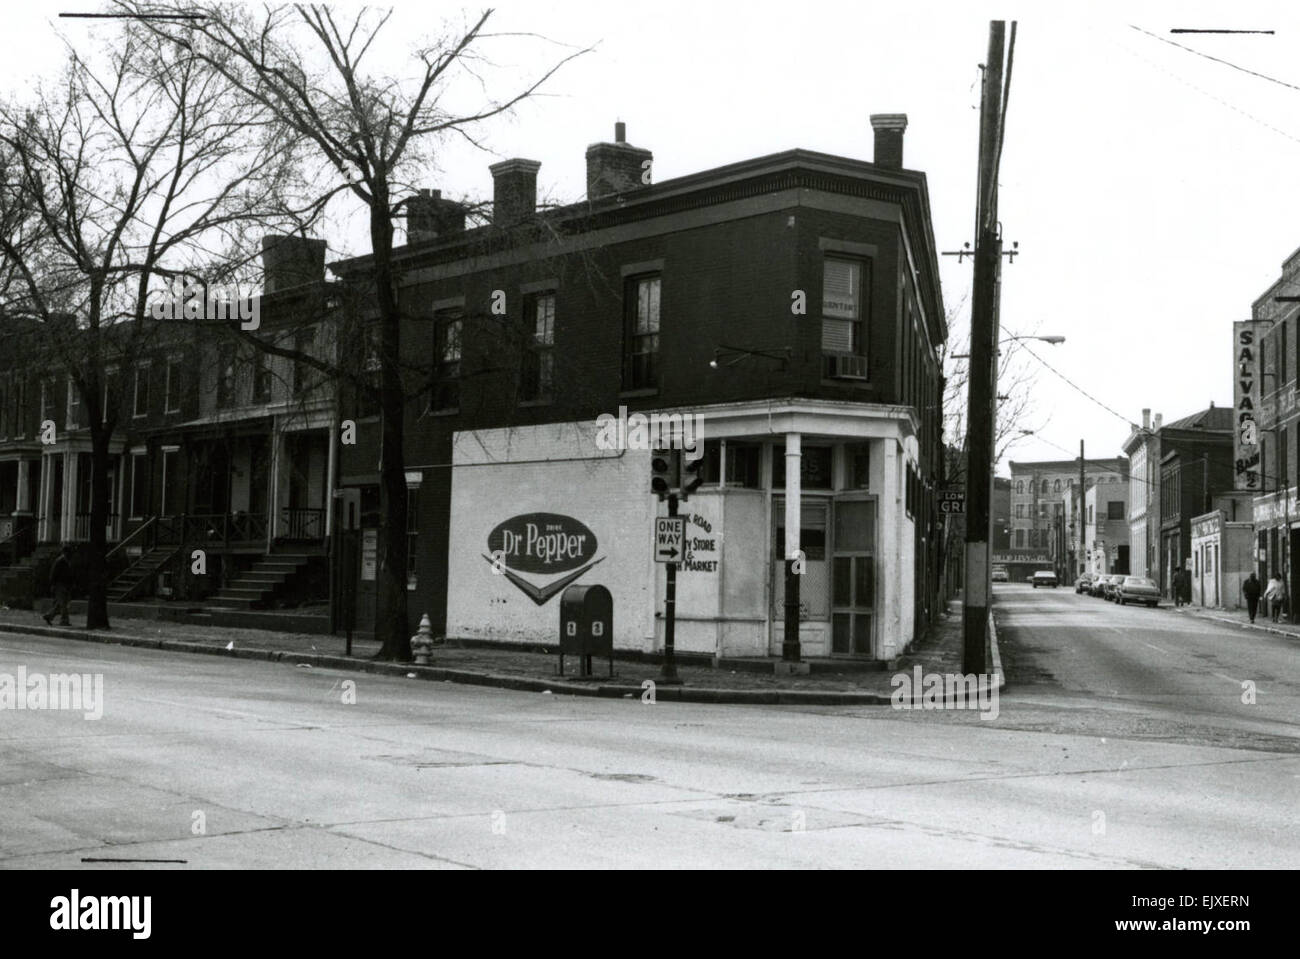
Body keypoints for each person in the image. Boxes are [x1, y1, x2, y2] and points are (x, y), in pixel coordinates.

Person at [44, 543, 73, 626]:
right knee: (63, 603)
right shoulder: (60, 561)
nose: (69, 554)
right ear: (64, 552)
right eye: (68, 552)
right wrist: (53, 584)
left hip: (66, 585)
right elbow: (53, 573)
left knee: (60, 604)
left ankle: (49, 616)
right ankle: (64, 620)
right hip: (59, 585)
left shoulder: (67, 561)